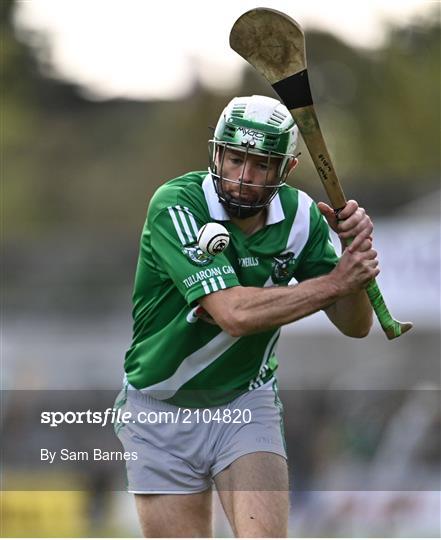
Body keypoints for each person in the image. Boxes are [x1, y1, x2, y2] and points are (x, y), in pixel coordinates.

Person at [114, 95, 378, 537]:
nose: (242, 178)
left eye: (260, 165)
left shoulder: (301, 219)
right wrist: (335, 282)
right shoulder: (178, 206)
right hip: (158, 407)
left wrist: (351, 269)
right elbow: (232, 313)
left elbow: (356, 325)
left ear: (286, 170)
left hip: (244, 401)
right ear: (217, 152)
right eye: (235, 159)